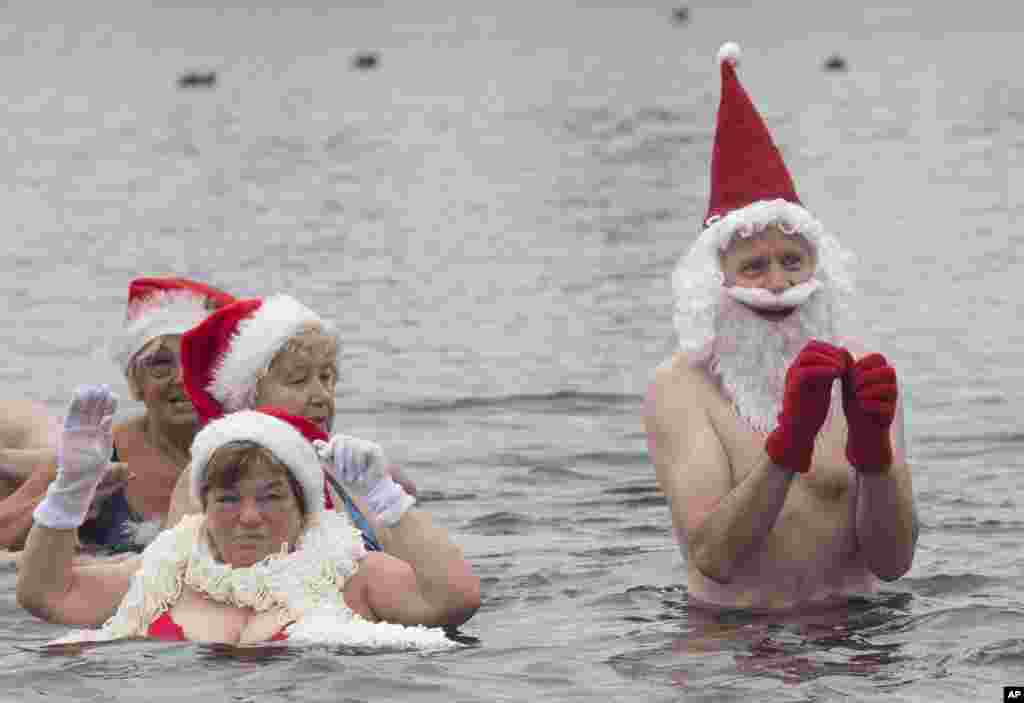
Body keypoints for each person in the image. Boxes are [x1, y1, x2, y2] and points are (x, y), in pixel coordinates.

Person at [644, 42, 917, 611]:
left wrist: (874, 456)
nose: (775, 283)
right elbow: (713, 558)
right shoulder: (681, 388)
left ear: (819, 269)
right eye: (753, 265)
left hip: (857, 633)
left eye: (792, 261)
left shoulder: (860, 373)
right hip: (736, 644)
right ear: (716, 283)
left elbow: (894, 564)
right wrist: (787, 447)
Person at [16, 389, 479, 646]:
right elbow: (47, 595)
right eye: (227, 500)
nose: (250, 517)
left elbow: (453, 601)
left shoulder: (354, 575)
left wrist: (388, 501)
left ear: (304, 507)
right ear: (204, 506)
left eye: (272, 498)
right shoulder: (159, 574)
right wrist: (70, 491)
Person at [164, 294, 416, 552]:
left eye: (327, 377)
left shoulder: (342, 469)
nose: (321, 396)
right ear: (247, 398)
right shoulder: (206, 477)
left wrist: (385, 495)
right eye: (298, 380)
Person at [0, 276, 235, 552]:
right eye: (161, 364)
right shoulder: (95, 453)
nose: (180, 378)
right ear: (135, 384)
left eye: (195, 360)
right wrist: (68, 499)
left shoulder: (250, 450)